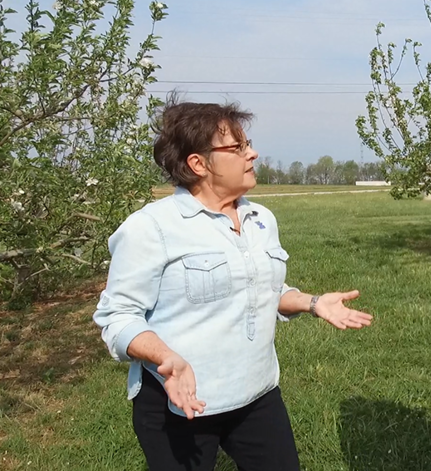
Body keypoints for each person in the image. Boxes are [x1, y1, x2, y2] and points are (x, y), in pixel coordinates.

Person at [93, 98, 373, 471]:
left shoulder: (261, 218)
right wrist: (165, 357)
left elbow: (265, 290)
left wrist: (313, 302)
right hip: (179, 405)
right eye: (237, 147)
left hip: (257, 397)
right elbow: (118, 317)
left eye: (248, 144)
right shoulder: (151, 228)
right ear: (198, 163)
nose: (253, 154)